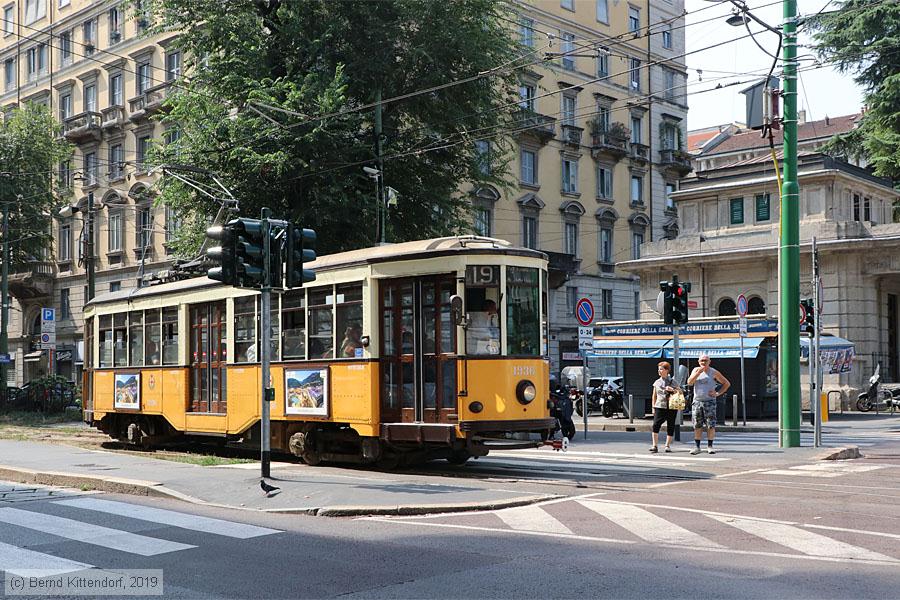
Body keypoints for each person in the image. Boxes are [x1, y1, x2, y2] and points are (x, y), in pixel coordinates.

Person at [687, 354, 731, 455]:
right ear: (698, 362)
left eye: (706, 361)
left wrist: (718, 393)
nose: (704, 363)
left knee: (710, 425)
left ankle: (710, 446)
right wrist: (697, 373)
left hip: (709, 402)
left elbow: (727, 383)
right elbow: (689, 382)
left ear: (709, 362)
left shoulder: (713, 372)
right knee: (697, 425)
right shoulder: (695, 370)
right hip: (697, 401)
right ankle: (697, 447)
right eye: (702, 361)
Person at [650, 361, 680, 453]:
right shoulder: (657, 382)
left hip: (671, 406)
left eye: (661, 369)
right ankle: (654, 445)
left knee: (670, 425)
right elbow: (654, 395)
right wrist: (653, 407)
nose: (659, 371)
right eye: (658, 369)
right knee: (655, 425)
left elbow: (680, 392)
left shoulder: (673, 382)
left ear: (667, 370)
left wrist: (673, 390)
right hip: (659, 406)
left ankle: (667, 445)